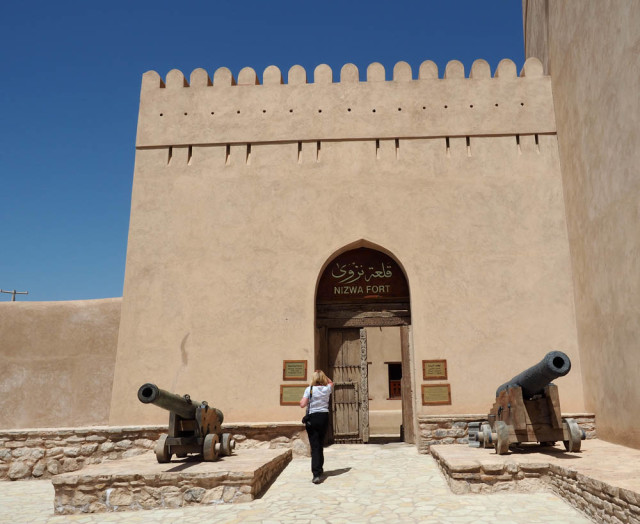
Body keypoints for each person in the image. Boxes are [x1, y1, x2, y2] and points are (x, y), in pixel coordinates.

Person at [300, 370, 333, 484]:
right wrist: (323, 375)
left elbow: (302, 404)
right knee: (320, 443)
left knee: (315, 446)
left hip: (313, 418)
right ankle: (320, 468)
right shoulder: (327, 389)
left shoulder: (309, 389)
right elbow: (331, 382)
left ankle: (316, 474)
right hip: (324, 417)